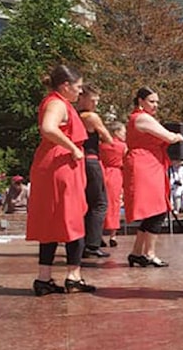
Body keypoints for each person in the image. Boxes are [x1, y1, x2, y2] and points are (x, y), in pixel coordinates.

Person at [25, 65, 94, 296]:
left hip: (53, 164)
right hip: (60, 165)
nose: (80, 91)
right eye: (78, 87)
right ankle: (73, 276)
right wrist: (73, 147)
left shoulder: (55, 101)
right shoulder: (57, 103)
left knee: (52, 222)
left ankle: (44, 278)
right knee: (72, 220)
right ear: (65, 86)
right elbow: (48, 128)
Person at [124, 86, 183, 269]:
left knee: (154, 211)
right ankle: (149, 253)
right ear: (141, 101)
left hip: (150, 164)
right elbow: (168, 136)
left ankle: (137, 253)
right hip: (145, 164)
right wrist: (178, 136)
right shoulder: (142, 118)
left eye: (157, 101)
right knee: (157, 210)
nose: (156, 105)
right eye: (152, 101)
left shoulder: (143, 118)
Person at [77, 85, 112, 259]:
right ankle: (92, 243)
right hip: (91, 160)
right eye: (93, 100)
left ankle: (82, 241)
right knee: (99, 203)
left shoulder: (74, 116)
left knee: (85, 203)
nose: (95, 103)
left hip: (77, 161)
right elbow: (108, 138)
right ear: (82, 98)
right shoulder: (91, 117)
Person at [100, 121, 126, 248]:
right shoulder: (122, 146)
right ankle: (113, 235)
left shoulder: (102, 145)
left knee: (100, 204)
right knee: (115, 204)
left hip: (102, 172)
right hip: (115, 174)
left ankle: (98, 235)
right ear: (116, 132)